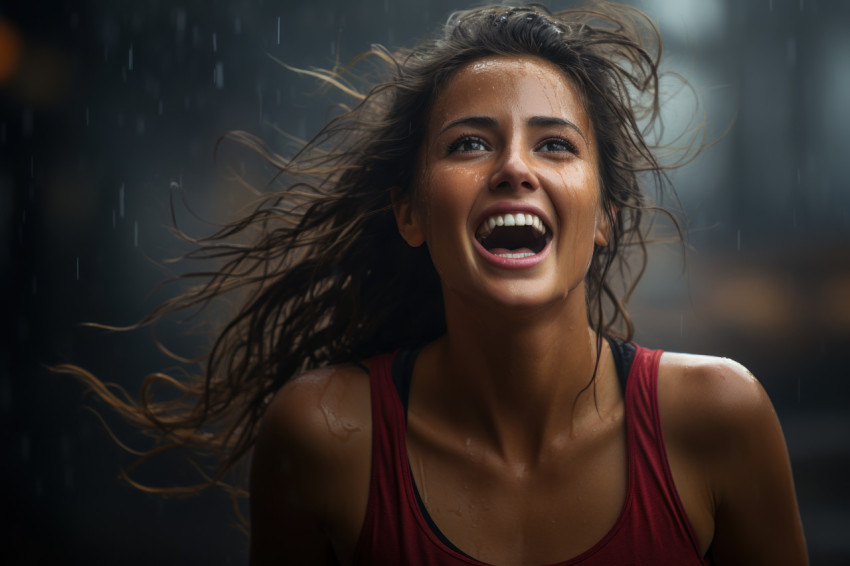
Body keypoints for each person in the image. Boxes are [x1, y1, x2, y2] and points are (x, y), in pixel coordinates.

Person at [58, 3, 808, 565]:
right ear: (411, 213)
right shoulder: (325, 434)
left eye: (554, 144)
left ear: (605, 216)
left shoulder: (718, 418)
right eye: (470, 143)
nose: (515, 167)